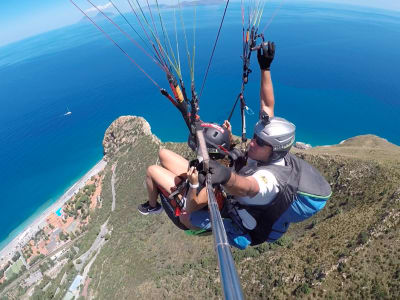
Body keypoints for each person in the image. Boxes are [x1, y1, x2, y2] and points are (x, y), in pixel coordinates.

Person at [189, 41, 332, 249]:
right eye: (255, 137)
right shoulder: (270, 151)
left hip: (247, 221)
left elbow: (248, 188)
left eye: (259, 142)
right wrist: (265, 68)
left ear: (273, 151)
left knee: (189, 219)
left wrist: (226, 176)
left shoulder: (270, 180)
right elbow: (267, 105)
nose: (252, 142)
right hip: (245, 189)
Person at [137, 122, 232, 230]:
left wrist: (193, 184)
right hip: (200, 177)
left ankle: (153, 206)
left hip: (192, 199)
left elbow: (192, 207)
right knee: (163, 153)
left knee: (151, 171)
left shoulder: (213, 184)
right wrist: (227, 135)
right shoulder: (219, 163)